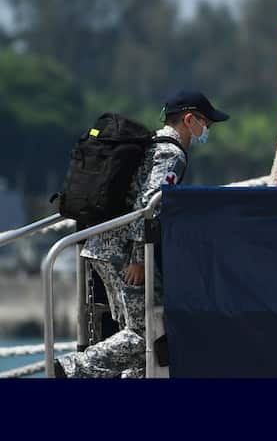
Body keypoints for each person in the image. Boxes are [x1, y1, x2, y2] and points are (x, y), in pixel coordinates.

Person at [56, 90, 230, 378]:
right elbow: (149, 204)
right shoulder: (171, 154)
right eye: (206, 124)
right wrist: (139, 258)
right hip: (124, 253)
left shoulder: (152, 145)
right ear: (189, 119)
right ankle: (72, 369)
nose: (206, 131)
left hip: (102, 245)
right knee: (147, 332)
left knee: (137, 330)